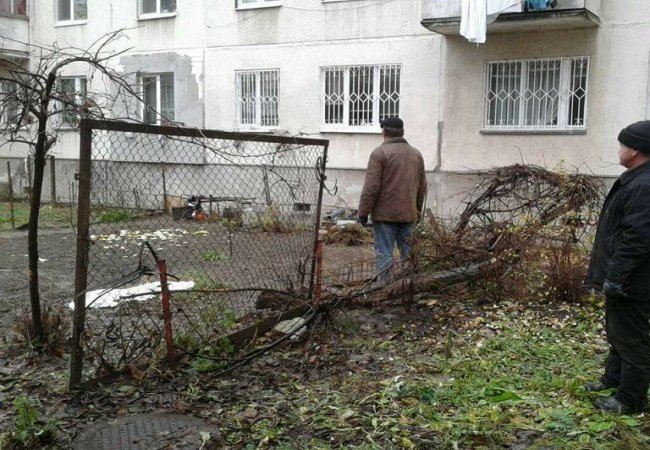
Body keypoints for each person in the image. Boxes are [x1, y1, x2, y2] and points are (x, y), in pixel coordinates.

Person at [584, 120, 650, 414]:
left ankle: (631, 399)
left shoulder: (645, 185)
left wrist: (617, 276)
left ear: (635, 150)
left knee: (632, 337)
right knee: (618, 331)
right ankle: (613, 379)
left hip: (634, 280)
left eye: (623, 145)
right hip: (626, 278)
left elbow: (638, 237)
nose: (619, 150)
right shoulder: (636, 179)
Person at [357, 117, 427, 282]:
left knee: (384, 253)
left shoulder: (379, 153)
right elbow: (422, 186)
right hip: (408, 213)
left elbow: (371, 187)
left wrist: (363, 212)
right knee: (409, 255)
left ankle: (385, 288)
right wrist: (417, 211)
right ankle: (412, 286)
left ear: (384, 132)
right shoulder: (416, 154)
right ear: (402, 132)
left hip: (385, 215)